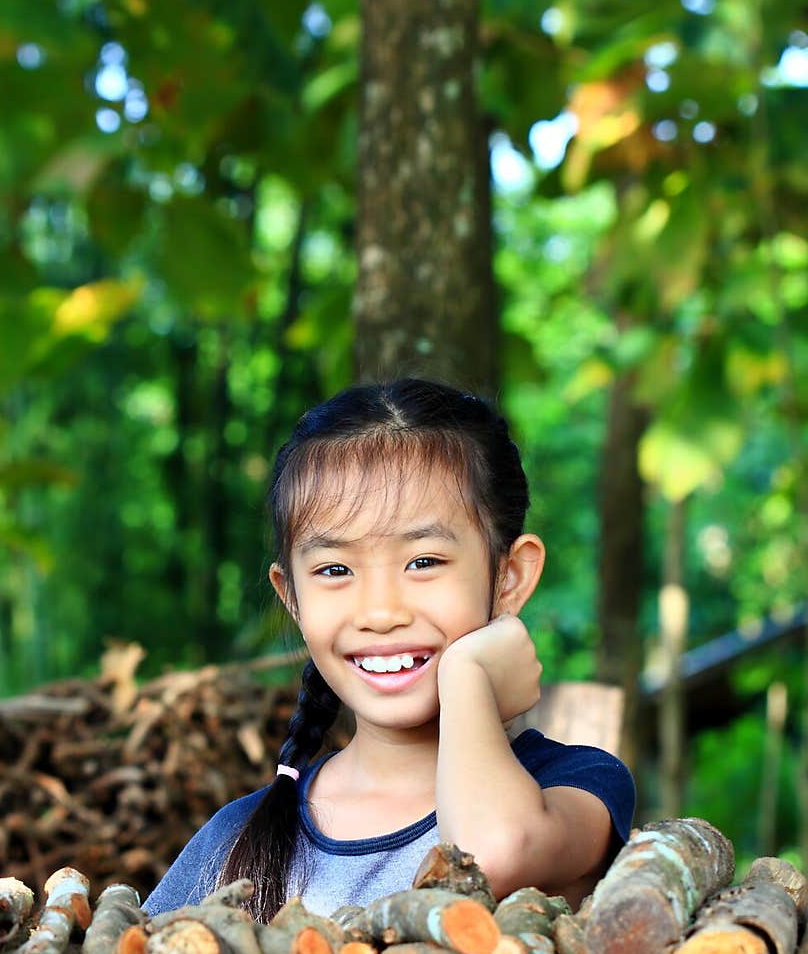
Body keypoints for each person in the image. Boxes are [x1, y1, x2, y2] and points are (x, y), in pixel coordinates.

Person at [144, 377, 636, 924]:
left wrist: (468, 677)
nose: (380, 613)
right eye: (335, 570)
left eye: (423, 562)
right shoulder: (238, 839)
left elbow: (489, 857)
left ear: (510, 575)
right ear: (293, 598)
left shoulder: (572, 786)